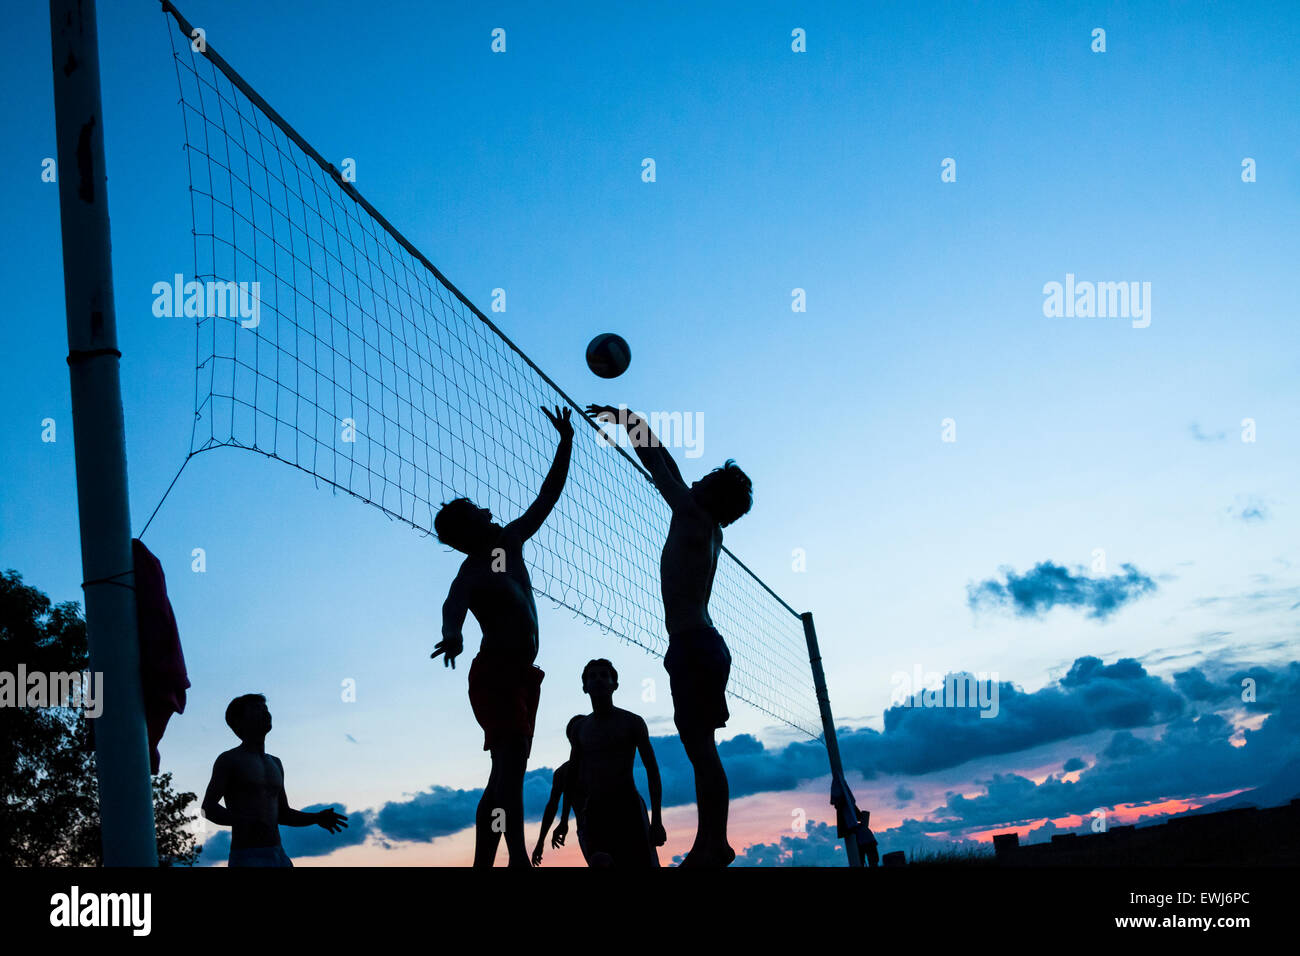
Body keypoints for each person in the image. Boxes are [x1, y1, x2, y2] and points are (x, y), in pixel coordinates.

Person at [586, 404, 752, 867]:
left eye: (701, 481)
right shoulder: (706, 523)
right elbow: (666, 464)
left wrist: (628, 420)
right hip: (703, 644)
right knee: (703, 748)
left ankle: (713, 843)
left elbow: (659, 466)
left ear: (708, 495)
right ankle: (709, 842)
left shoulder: (693, 516)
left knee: (700, 750)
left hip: (694, 645)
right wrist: (632, 421)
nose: (692, 481)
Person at [432, 405, 575, 868]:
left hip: (521, 676)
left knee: (508, 775)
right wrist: (452, 636)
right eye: (475, 513)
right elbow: (452, 607)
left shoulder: (508, 543)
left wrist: (566, 442)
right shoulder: (473, 570)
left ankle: (496, 862)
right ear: (463, 534)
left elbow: (546, 498)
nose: (485, 511)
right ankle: (510, 859)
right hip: (495, 674)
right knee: (507, 773)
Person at [201, 694, 348, 867]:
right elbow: (208, 808)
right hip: (247, 856)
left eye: (266, 709)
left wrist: (316, 818)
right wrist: (245, 821)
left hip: (279, 855)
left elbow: (283, 814)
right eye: (257, 709)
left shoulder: (275, 763)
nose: (266, 713)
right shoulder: (229, 760)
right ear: (239, 722)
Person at [569, 658, 666, 868]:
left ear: (615, 685)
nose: (598, 680)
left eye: (604, 675)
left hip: (628, 807)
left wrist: (657, 820)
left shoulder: (632, 722)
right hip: (596, 811)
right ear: (585, 687)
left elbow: (652, 770)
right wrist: (570, 820)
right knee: (600, 861)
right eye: (592, 676)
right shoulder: (580, 729)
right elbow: (573, 775)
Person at [533, 716, 588, 866]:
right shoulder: (562, 773)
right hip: (587, 830)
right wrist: (540, 842)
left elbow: (552, 806)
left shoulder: (602, 763)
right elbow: (551, 807)